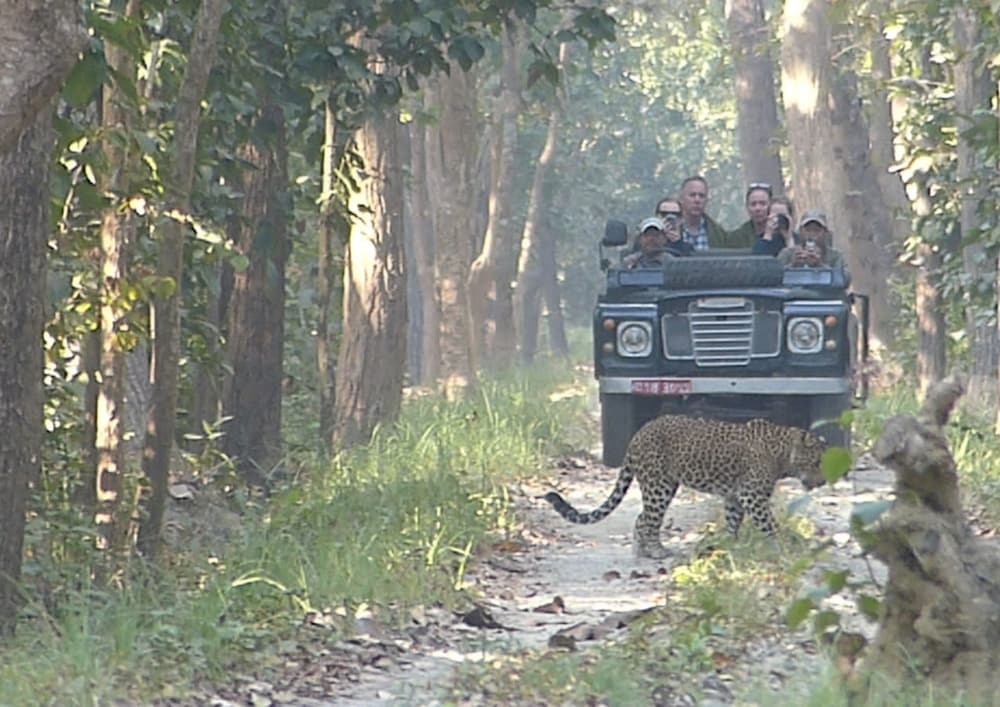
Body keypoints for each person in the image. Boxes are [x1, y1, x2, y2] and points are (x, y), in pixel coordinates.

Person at [778, 210, 849, 278]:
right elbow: (775, 277)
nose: (811, 234)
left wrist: (820, 266)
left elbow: (844, 279)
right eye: (808, 230)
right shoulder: (787, 253)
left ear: (825, 233)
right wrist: (793, 266)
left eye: (816, 230)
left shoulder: (836, 256)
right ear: (800, 231)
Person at [677, 175, 734, 250]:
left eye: (701, 196)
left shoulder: (719, 234)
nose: (697, 200)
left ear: (707, 200)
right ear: (681, 199)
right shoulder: (672, 230)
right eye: (692, 195)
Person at [624, 217, 691, 268]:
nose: (651, 239)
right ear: (640, 239)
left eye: (656, 235)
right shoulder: (630, 262)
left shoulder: (673, 264)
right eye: (647, 235)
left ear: (664, 238)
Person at [729, 183, 772, 247]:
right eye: (753, 204)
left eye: (762, 204)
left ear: (771, 206)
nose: (757, 208)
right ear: (747, 207)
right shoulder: (737, 237)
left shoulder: (781, 233)